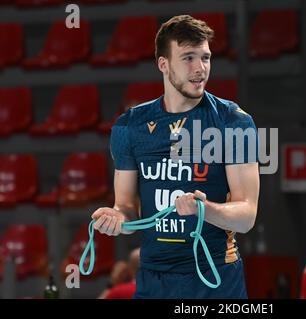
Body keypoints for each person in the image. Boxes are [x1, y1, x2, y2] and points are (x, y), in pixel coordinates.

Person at [91, 15, 259, 299]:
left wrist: (205, 209)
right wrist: (116, 217)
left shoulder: (233, 122)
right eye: (188, 58)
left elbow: (246, 216)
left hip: (215, 278)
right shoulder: (130, 126)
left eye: (205, 58)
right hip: (153, 279)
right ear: (163, 64)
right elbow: (127, 207)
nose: (200, 68)